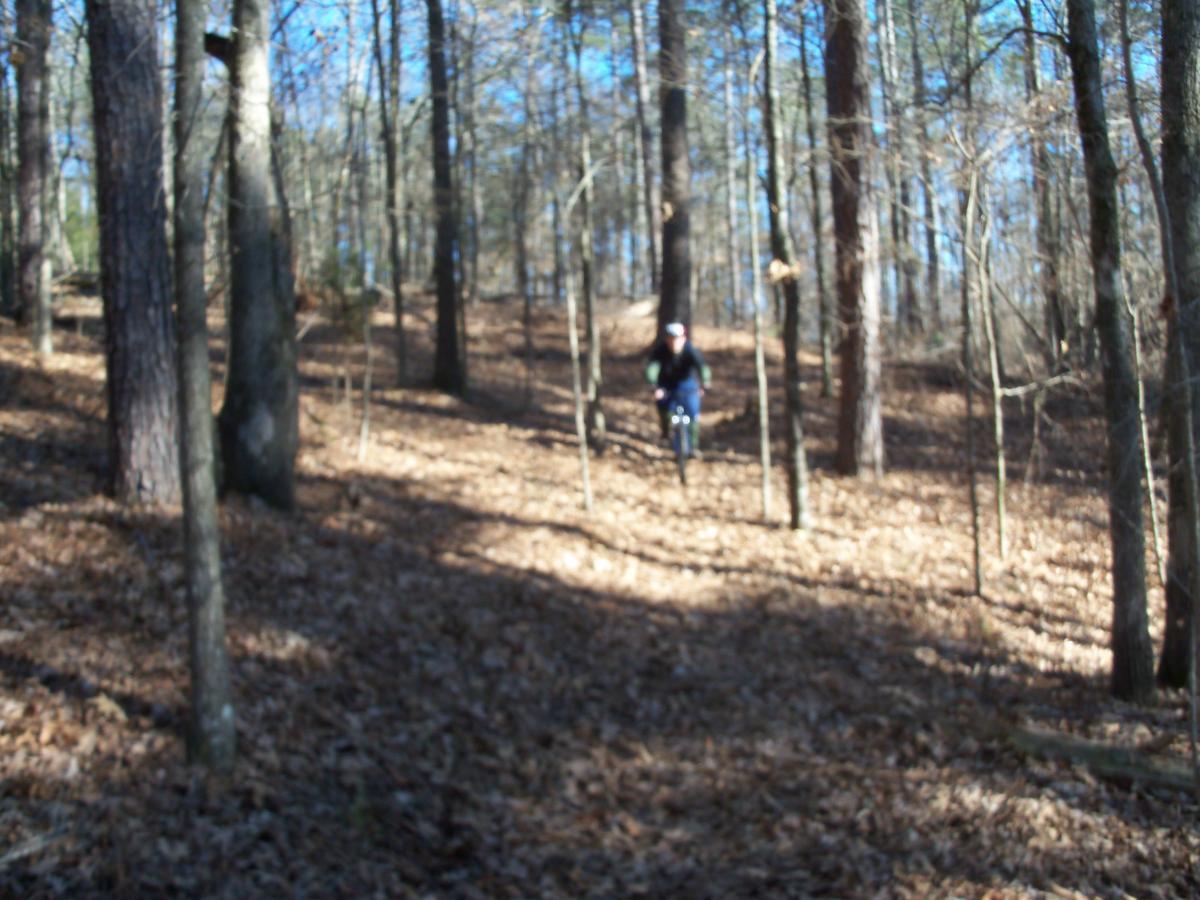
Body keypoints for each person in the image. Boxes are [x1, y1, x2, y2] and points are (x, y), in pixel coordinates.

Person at [644, 322, 711, 457]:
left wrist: (705, 383)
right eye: (671, 338)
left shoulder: (690, 350)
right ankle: (665, 430)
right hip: (666, 385)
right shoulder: (660, 351)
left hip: (688, 385)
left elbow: (702, 367)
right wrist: (654, 386)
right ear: (666, 339)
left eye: (677, 338)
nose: (674, 342)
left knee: (693, 413)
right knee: (662, 405)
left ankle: (693, 446)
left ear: (683, 338)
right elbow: (652, 369)